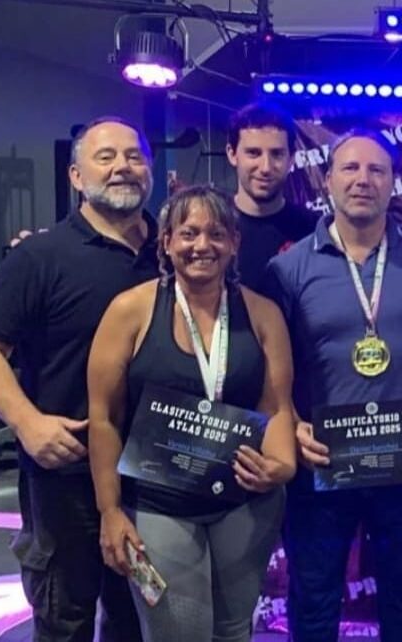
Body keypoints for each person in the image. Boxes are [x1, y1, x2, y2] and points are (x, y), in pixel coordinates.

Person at [264, 128, 402, 641]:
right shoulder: (288, 268)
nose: (363, 180)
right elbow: (269, 368)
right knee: (315, 598)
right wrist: (292, 424)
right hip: (322, 459)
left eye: (376, 170)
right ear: (327, 180)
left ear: (393, 182)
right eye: (350, 168)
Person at [86, 185, 296, 641]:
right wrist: (110, 510)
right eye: (189, 233)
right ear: (166, 242)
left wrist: (281, 464)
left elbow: (277, 406)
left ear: (234, 242)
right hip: (156, 505)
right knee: (175, 632)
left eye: (217, 233)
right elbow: (103, 419)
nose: (203, 245)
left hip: (244, 501)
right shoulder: (130, 311)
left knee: (233, 631)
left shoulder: (263, 314)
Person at [0, 117, 152, 641]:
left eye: (134, 156)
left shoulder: (174, 253)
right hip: (67, 478)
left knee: (139, 623)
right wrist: (27, 422)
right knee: (66, 623)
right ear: (76, 176)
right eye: (106, 157)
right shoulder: (39, 256)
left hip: (156, 477)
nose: (123, 167)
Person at [226, 102, 319, 289]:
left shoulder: (314, 231)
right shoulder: (212, 226)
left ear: (291, 159)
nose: (266, 167)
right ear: (232, 154)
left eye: (277, 154)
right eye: (254, 153)